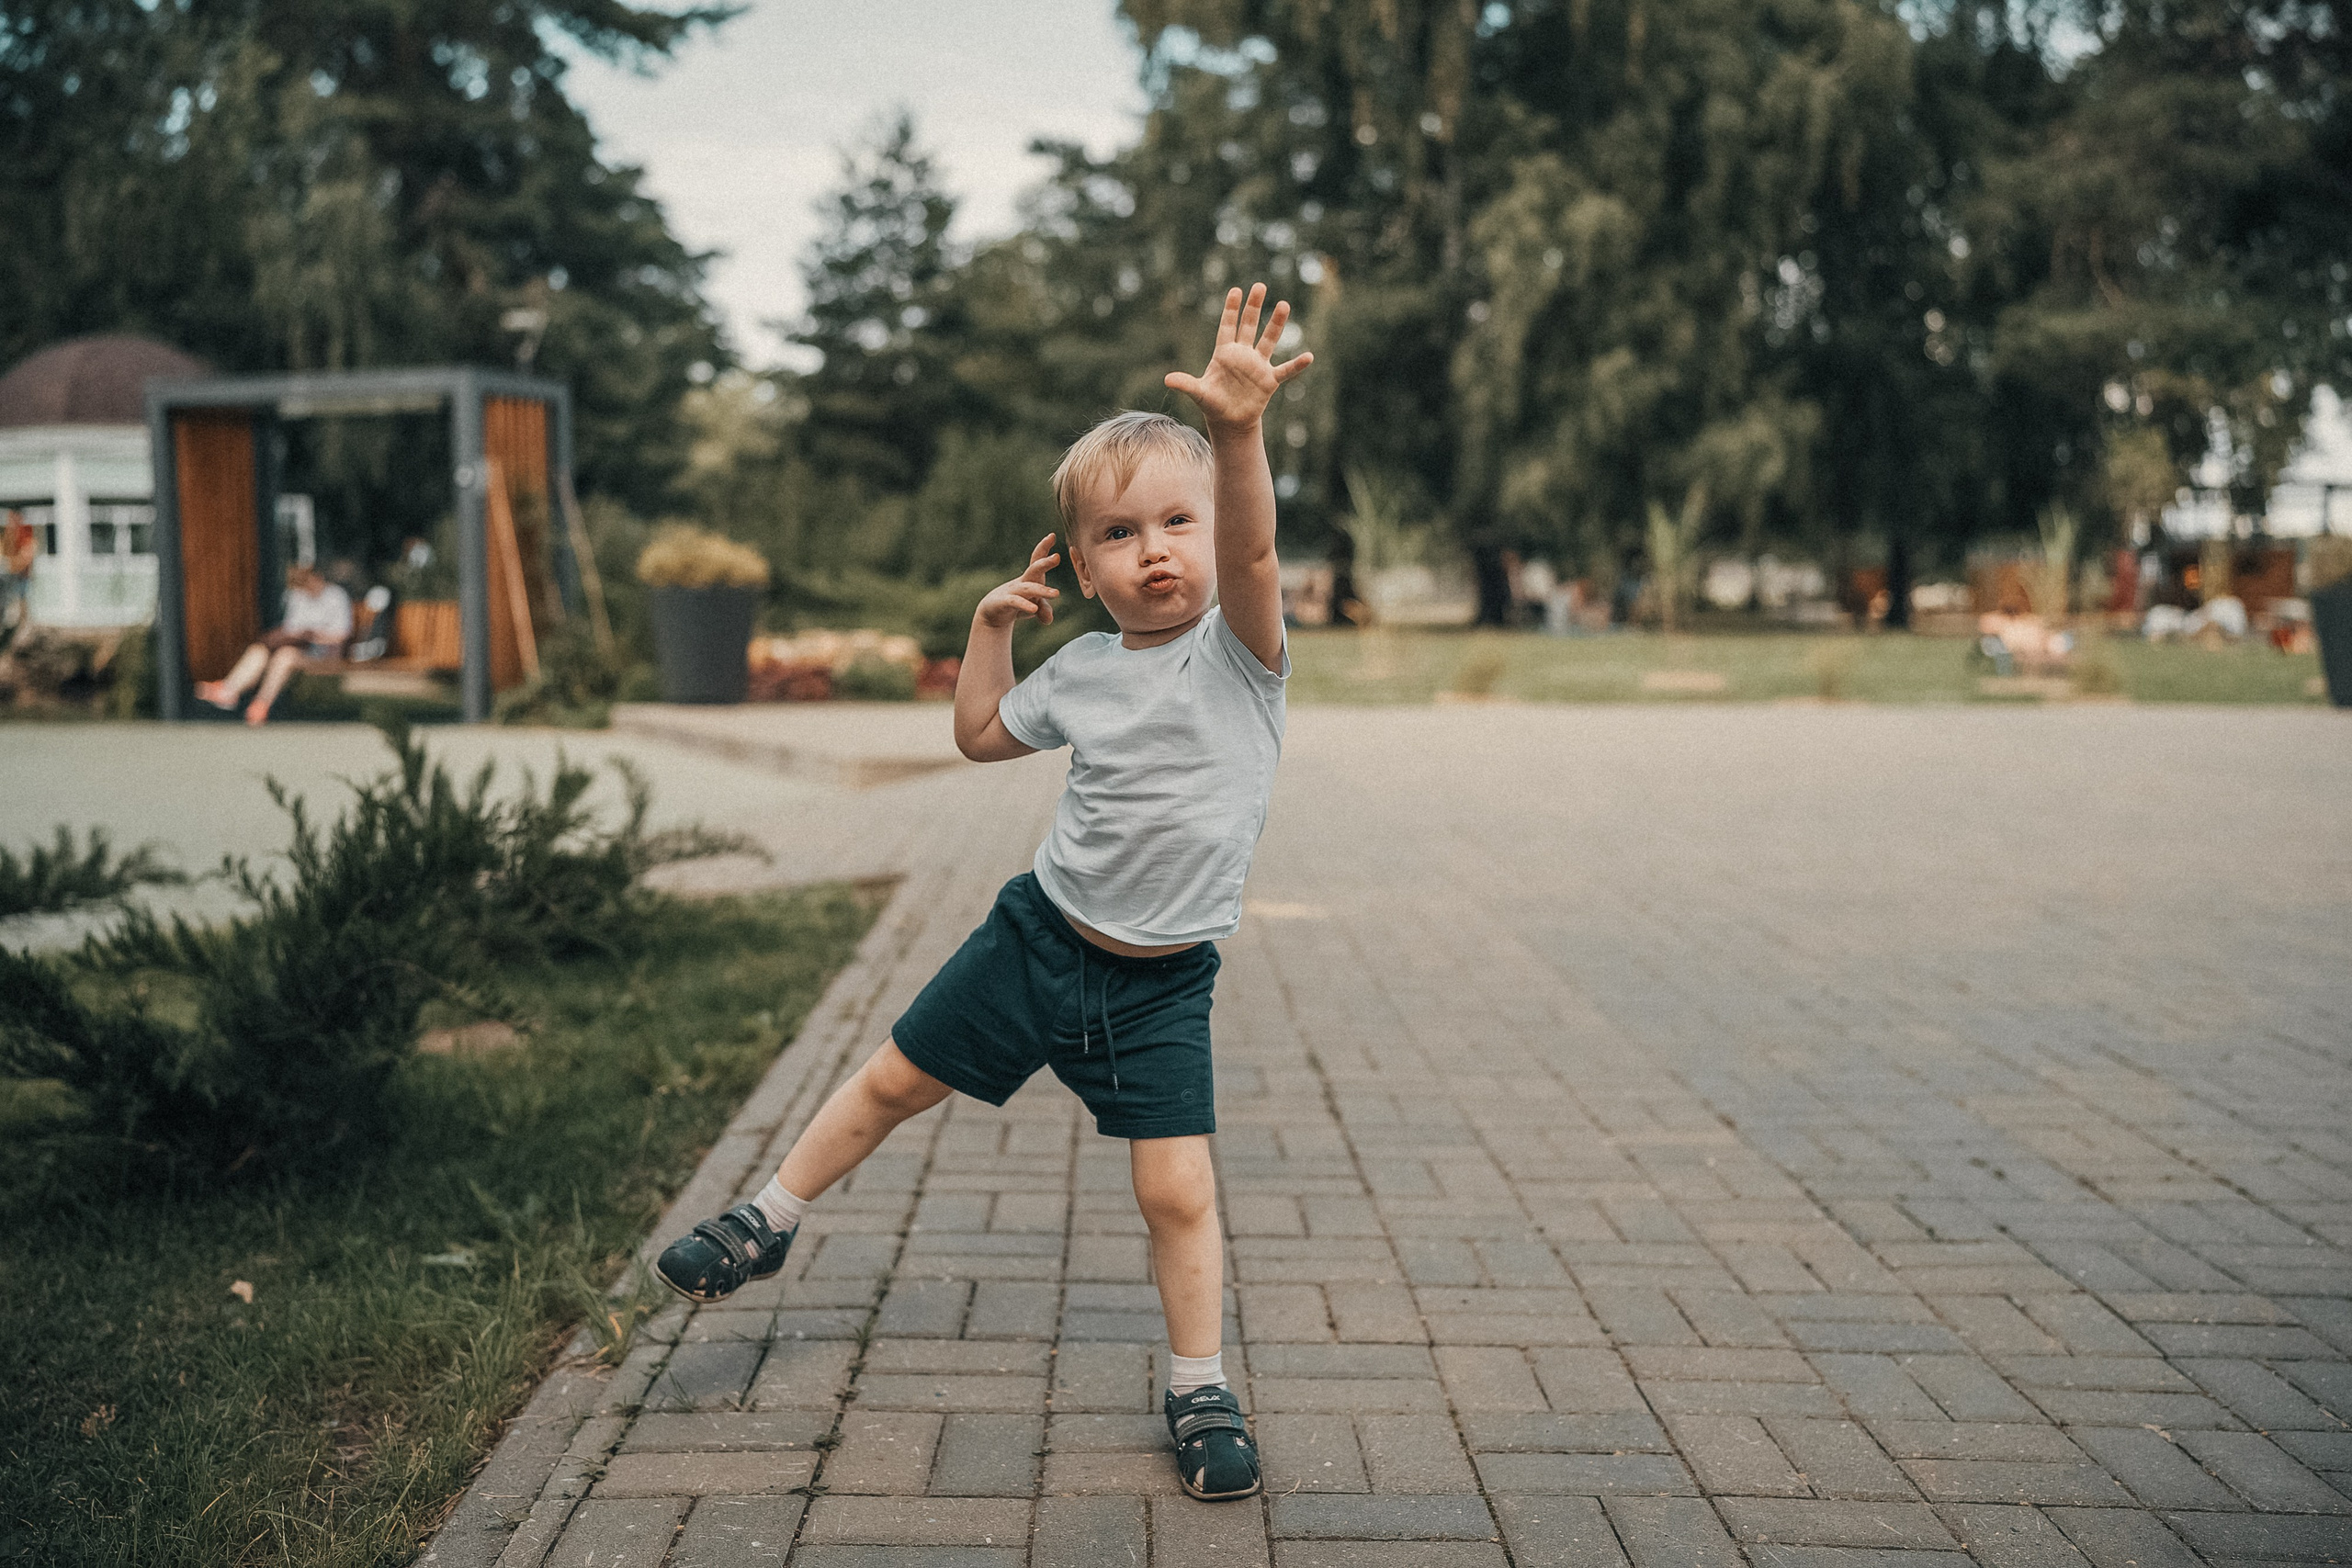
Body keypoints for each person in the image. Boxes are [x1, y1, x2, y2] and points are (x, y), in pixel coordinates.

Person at [653, 283, 1313, 1503]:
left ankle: (1200, 1380)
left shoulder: (1244, 653)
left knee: (1177, 1185)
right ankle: (767, 1216)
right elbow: (978, 736)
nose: (1157, 547)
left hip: (1161, 980)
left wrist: (1238, 431)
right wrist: (988, 625)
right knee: (895, 1077)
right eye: (1121, 532)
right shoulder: (1083, 671)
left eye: (1180, 521)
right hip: (1039, 933)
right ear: (1084, 560)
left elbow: (1260, 546)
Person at [194, 562, 353, 724]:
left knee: (285, 657)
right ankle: (228, 690)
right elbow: (292, 628)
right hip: (297, 648)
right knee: (259, 650)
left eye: (306, 580)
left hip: (323, 655)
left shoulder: (336, 597)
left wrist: (313, 636)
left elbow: (342, 635)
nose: (305, 586)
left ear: (318, 578)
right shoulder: (298, 596)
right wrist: (287, 637)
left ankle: (261, 704)